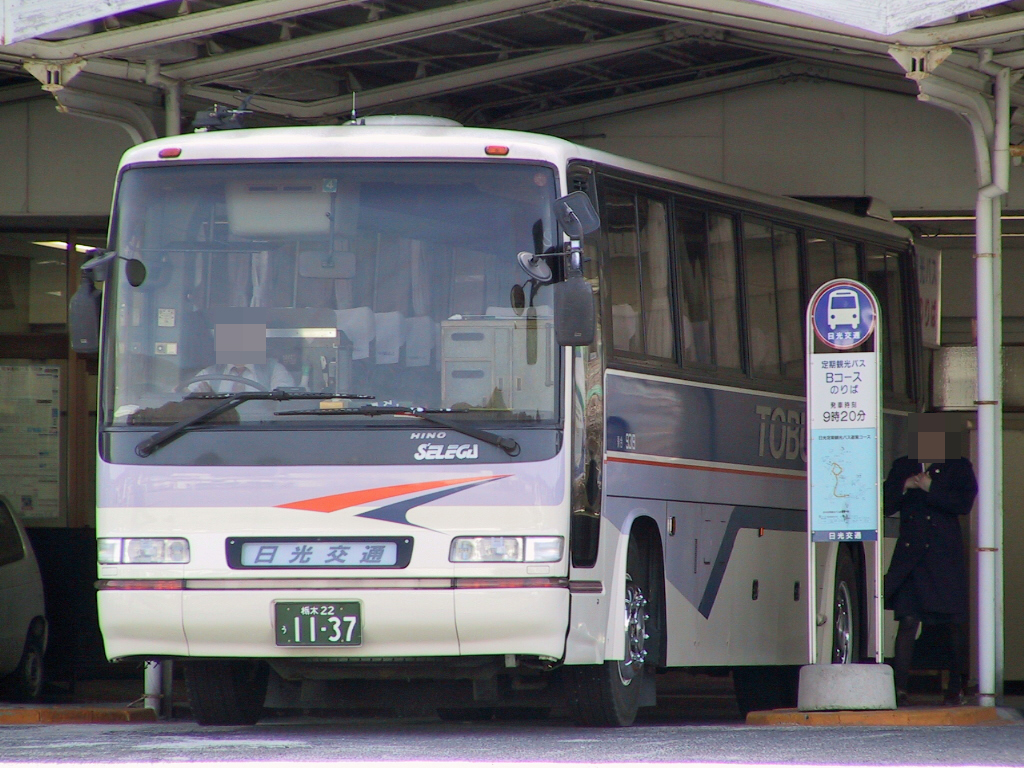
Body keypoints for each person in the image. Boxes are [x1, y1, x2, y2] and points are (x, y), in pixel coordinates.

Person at [883, 413, 977, 706]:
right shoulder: (904, 465)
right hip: (911, 558)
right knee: (908, 619)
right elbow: (884, 504)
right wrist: (905, 486)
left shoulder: (958, 466)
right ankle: (899, 688)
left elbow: (964, 503)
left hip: (943, 558)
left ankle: (956, 685)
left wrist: (931, 488)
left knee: (953, 623)